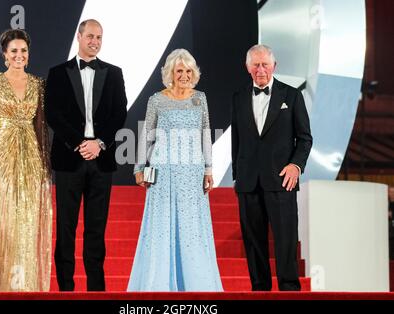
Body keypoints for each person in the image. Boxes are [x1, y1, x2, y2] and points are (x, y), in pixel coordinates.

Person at [127, 49, 223, 291]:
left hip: (192, 174)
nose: (184, 75)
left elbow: (205, 135)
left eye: (188, 70)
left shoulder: (200, 98)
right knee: (161, 228)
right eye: (179, 70)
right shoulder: (156, 100)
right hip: (164, 174)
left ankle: (195, 284)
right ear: (170, 73)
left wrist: (209, 169)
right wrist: (139, 167)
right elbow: (147, 136)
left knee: (192, 230)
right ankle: (158, 285)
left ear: (194, 73)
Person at [45, 19, 127, 291]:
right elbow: (53, 114)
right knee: (65, 229)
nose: (95, 41)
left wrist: (99, 143)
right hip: (70, 159)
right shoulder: (58, 72)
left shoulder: (114, 73)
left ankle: (96, 290)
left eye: (99, 37)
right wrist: (79, 143)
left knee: (96, 230)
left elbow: (119, 113)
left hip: (101, 161)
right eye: (90, 36)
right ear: (79, 36)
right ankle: (65, 289)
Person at [0, 29, 53, 292]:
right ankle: (6, 286)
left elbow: (41, 127)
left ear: (28, 54)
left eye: (23, 50)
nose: (19, 55)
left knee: (28, 221)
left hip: (31, 156)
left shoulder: (38, 83)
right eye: (14, 51)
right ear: (5, 54)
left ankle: (27, 286)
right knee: (7, 223)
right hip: (4, 156)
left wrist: (46, 166)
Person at [231, 44, 313, 291]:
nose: (260, 69)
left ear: (274, 66)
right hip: (248, 182)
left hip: (281, 180)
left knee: (285, 239)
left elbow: (305, 138)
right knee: (253, 242)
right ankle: (260, 290)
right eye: (255, 64)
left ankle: (289, 290)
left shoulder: (292, 96)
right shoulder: (238, 96)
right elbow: (237, 140)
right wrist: (238, 175)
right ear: (248, 68)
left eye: (265, 64)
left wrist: (295, 166)